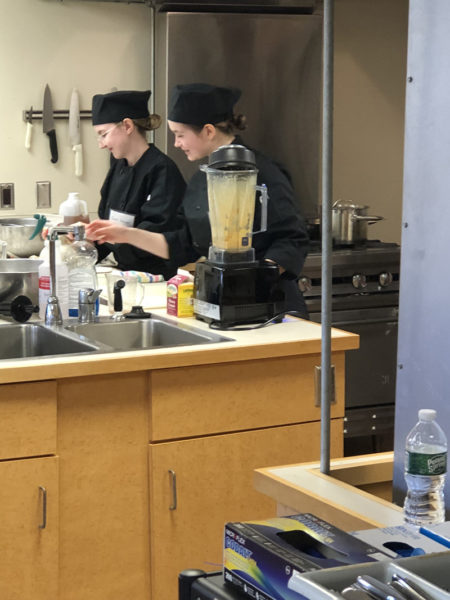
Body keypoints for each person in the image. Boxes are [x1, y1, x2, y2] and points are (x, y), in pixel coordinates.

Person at [87, 83, 309, 317]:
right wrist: (123, 234)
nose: (176, 144)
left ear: (208, 131)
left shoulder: (262, 173)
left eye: (180, 135)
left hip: (273, 306)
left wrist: (253, 282)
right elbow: (181, 245)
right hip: (222, 304)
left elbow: (292, 239)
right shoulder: (202, 180)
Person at [91, 89, 186, 278]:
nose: (101, 144)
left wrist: (114, 239)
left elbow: (156, 231)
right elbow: (107, 219)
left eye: (104, 134)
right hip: (124, 274)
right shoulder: (118, 165)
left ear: (127, 126)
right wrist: (84, 242)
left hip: (155, 279)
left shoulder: (162, 170)